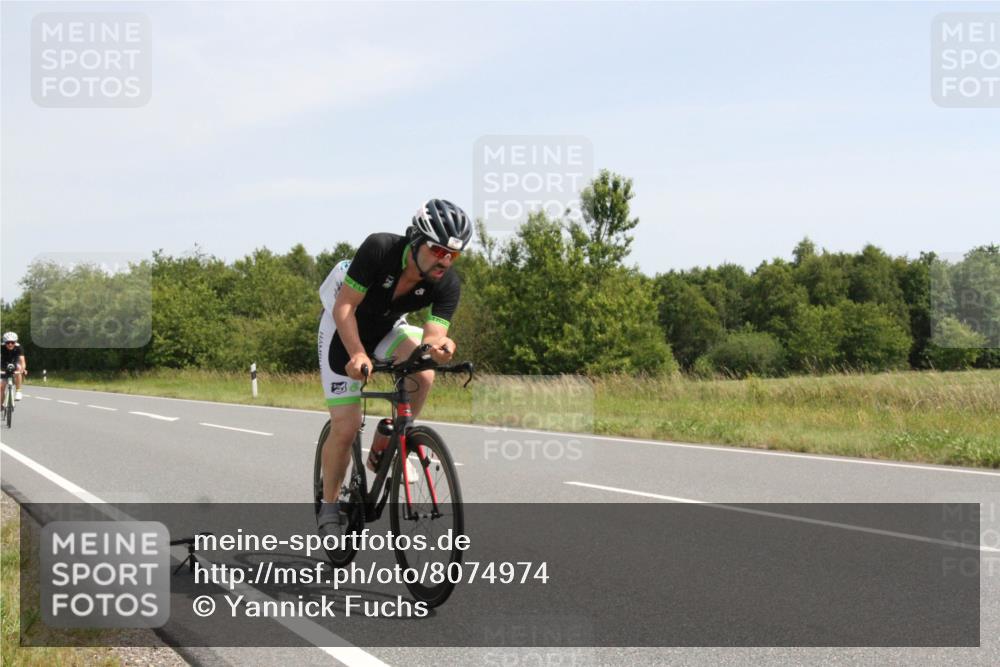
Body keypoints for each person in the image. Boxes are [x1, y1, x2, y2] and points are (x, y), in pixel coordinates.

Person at [316, 199, 472, 533]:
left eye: (453, 254)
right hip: (343, 327)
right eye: (438, 250)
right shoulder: (379, 249)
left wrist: (440, 348)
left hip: (386, 328)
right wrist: (357, 354)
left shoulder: (446, 283)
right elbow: (344, 307)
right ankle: (329, 507)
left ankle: (390, 432)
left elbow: (433, 337)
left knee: (425, 370)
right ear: (415, 240)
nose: (445, 260)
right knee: (346, 426)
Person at [1, 331, 27, 403]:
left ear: (15, 342)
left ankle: (18, 391)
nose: (10, 344)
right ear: (4, 342)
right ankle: (1, 406)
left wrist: (23, 369)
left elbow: (22, 361)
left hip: (14, 363)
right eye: (8, 342)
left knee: (19, 367)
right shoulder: (1, 347)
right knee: (1, 387)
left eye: (12, 342)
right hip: (3, 364)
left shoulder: (19, 347)